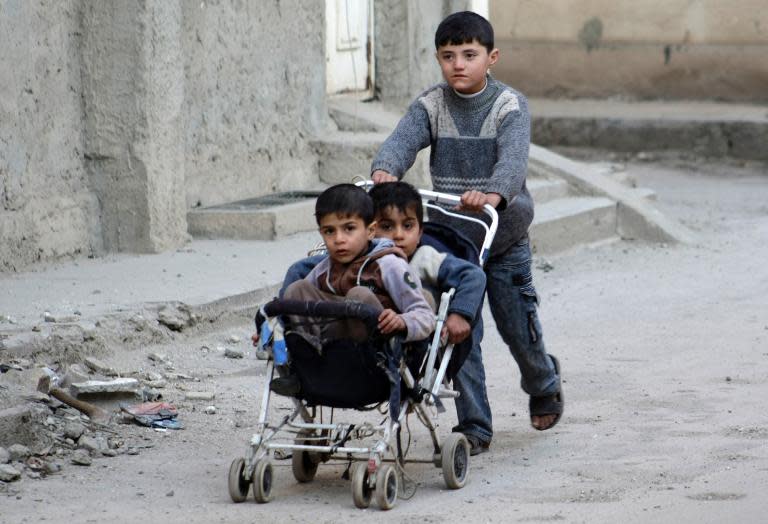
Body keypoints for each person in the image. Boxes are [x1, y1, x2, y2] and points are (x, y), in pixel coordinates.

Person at [370, 11, 563, 431]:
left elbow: (512, 161)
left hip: (502, 233)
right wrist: (386, 169)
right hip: (457, 238)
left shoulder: (509, 105)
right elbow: (403, 139)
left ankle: (544, 381)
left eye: (469, 54)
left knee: (517, 327)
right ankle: (475, 424)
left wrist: (493, 192)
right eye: (448, 55)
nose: (458, 64)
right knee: (459, 329)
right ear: (438, 59)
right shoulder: (432, 104)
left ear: (491, 57)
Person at [264, 183, 435, 396]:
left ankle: (361, 364)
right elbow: (293, 306)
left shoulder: (389, 265)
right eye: (329, 231)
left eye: (349, 228)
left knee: (358, 295)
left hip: (376, 358)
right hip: (329, 353)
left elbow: (426, 316)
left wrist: (402, 321)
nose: (339, 239)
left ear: (370, 231)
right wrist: (271, 327)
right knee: (296, 290)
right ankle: (301, 368)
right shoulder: (324, 269)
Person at [369, 181, 492, 455]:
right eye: (387, 227)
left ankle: (476, 425)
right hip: (371, 340)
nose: (398, 235)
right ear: (369, 229)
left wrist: (460, 315)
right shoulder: (362, 260)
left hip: (422, 339)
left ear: (420, 231)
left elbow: (474, 276)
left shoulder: (425, 258)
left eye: (408, 226)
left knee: (465, 347)